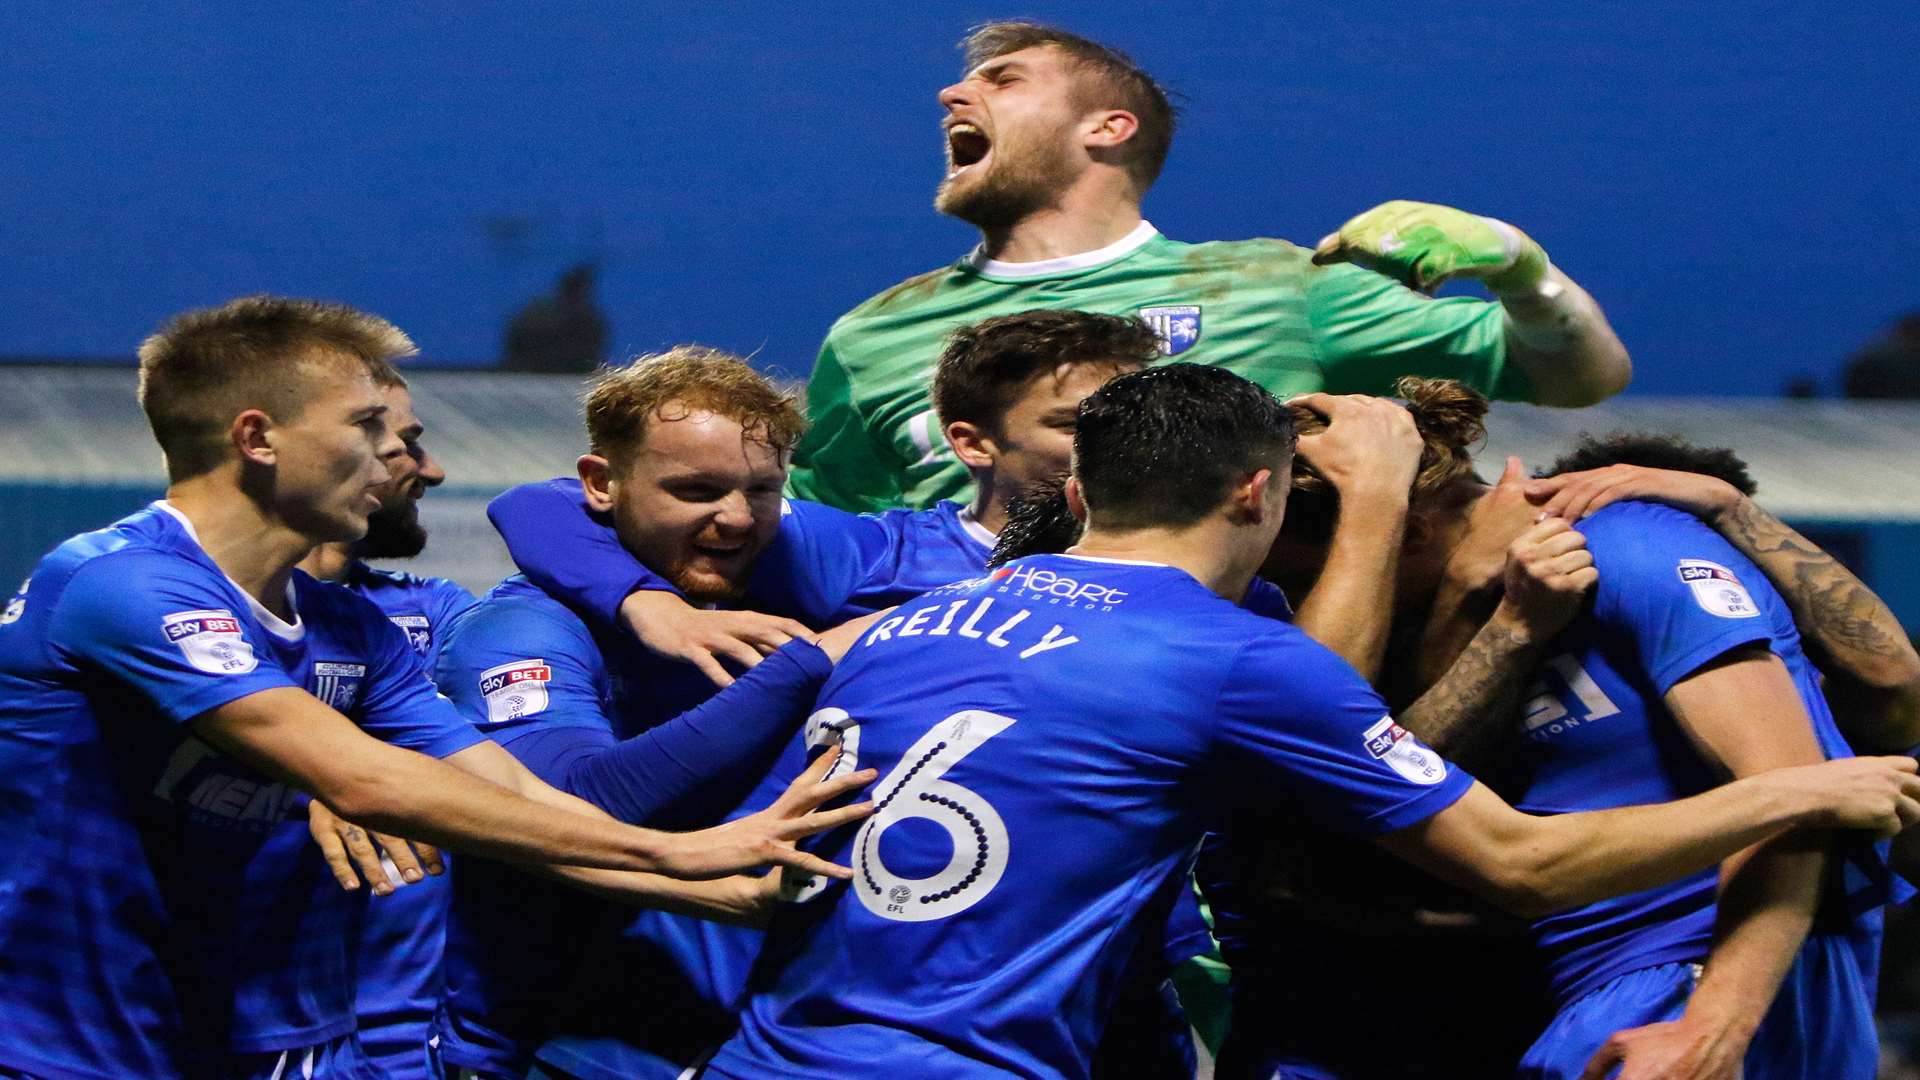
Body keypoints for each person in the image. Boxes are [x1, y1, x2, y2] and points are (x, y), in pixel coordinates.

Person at [703, 363, 1920, 1080]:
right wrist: (1811, 786)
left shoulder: (911, 623)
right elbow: (1507, 860)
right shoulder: (1238, 653)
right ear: (1257, 491)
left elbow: (726, 864)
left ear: (1078, 492)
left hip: (764, 1053)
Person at [0, 297, 868, 1080]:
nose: (403, 461)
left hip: (289, 1047)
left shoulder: (355, 630)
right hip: (67, 1051)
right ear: (257, 438)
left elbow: (512, 793)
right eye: (371, 426)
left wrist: (699, 892)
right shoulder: (122, 584)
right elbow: (362, 778)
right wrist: (677, 854)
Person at [485, 316, 1247, 1072]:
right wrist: (649, 604)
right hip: (817, 986)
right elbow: (542, 504)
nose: (1119, 445)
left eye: (1134, 421)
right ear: (970, 441)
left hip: (1098, 969)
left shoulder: (1206, 585)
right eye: (1080, 424)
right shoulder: (874, 559)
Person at [1244, 388, 1908, 1079]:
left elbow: (1799, 794)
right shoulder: (1453, 618)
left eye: (1304, 578)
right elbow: (1365, 807)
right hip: (1586, 989)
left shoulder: (1625, 543)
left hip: (1701, 979)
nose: (1313, 600)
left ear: (1405, 531)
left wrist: (1714, 1024)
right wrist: (1482, 613)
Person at [788, 20, 1633, 513]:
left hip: (1229, 698)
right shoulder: (872, 335)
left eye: (1003, 81)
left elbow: (1579, 376)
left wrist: (1521, 268)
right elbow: (820, 535)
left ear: (1108, 129)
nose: (953, 95)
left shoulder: (1278, 285)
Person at [293, 363, 475, 1080]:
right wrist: (301, 783)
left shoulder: (430, 611)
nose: (432, 469)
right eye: (405, 443)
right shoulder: (156, 603)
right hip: (231, 1028)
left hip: (420, 1048)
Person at [502, 263, 610, 374]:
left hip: (573, 373)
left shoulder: (589, 322)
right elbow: (519, 344)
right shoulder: (537, 316)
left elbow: (589, 352)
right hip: (534, 371)